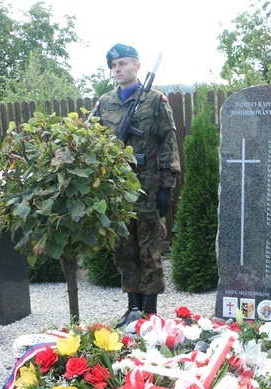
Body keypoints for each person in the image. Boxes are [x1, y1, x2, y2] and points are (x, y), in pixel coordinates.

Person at [95, 43, 181, 326]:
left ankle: (150, 311)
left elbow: (168, 142)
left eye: (122, 64)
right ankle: (132, 307)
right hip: (117, 189)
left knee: (150, 248)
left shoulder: (155, 100)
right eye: (113, 66)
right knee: (123, 247)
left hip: (148, 187)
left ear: (137, 66)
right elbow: (93, 142)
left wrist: (167, 186)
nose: (117, 69)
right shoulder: (105, 102)